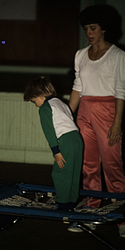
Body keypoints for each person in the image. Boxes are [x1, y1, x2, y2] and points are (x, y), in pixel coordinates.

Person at [68, 5, 125, 237]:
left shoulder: (118, 55)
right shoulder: (81, 55)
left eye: (92, 28)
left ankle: (123, 216)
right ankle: (92, 212)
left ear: (103, 28)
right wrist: (67, 118)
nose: (89, 33)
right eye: (86, 29)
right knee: (88, 165)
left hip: (108, 112)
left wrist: (117, 123)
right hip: (84, 112)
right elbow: (77, 89)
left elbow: (120, 91)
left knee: (112, 165)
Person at [24, 76, 83, 211]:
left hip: (65, 140)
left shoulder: (45, 108)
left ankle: (63, 204)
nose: (35, 104)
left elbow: (49, 132)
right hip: (77, 139)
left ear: (39, 95)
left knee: (60, 172)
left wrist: (56, 151)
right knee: (73, 172)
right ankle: (71, 202)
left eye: (34, 101)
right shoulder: (61, 103)